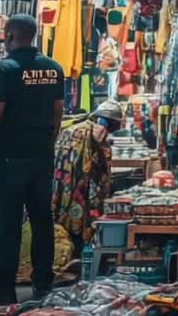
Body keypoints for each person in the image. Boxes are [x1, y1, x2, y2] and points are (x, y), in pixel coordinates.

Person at [0, 15, 64, 306]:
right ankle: (44, 285)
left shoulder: (5, 69)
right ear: (33, 36)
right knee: (41, 221)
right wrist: (48, 145)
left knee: (8, 224)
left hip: (10, 158)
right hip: (41, 158)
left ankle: (3, 287)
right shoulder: (53, 69)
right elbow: (58, 114)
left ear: (9, 36)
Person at [53, 100, 122, 249]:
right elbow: (101, 177)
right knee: (78, 228)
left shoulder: (69, 130)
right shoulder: (98, 134)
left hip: (60, 186)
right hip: (81, 190)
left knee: (61, 225)